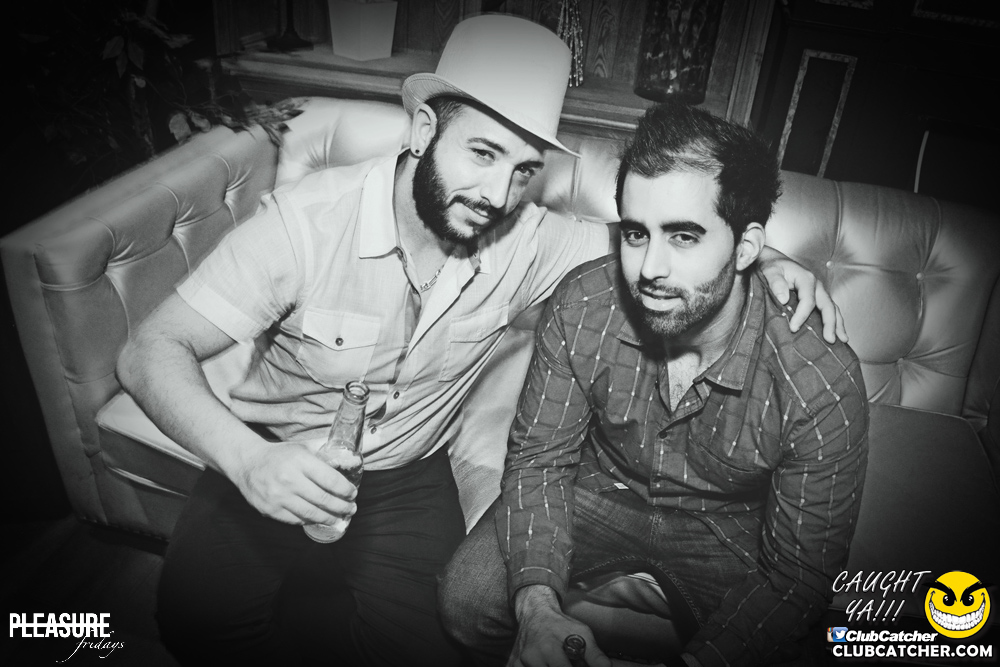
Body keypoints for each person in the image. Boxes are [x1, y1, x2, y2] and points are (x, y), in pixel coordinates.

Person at [116, 15, 845, 667]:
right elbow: (150, 351)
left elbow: (661, 244)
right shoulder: (303, 225)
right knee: (193, 628)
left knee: (441, 645)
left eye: (524, 169)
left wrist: (769, 260)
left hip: (407, 470)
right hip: (274, 449)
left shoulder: (529, 238)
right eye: (483, 153)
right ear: (422, 130)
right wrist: (249, 462)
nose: (498, 194)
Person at [439, 101, 869, 667]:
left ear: (746, 247)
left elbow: (798, 572)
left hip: (729, 527)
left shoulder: (819, 378)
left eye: (684, 237)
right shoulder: (584, 304)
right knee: (467, 600)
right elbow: (540, 459)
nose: (649, 269)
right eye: (637, 234)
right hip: (601, 489)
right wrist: (538, 609)